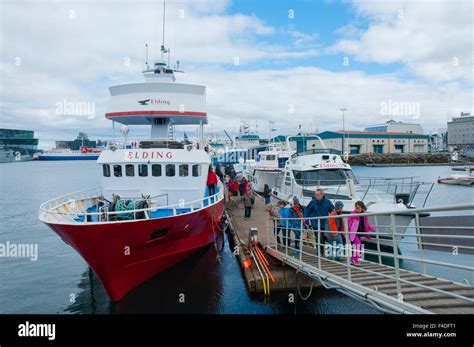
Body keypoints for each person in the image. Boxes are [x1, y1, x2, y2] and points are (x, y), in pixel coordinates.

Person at [348, 201, 376, 265]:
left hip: (359, 233)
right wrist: (347, 232)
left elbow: (366, 224)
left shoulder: (364, 215)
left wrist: (372, 229)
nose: (357, 210)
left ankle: (352, 259)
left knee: (356, 246)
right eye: (356, 208)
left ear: (362, 208)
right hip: (353, 233)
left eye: (358, 208)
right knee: (358, 244)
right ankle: (356, 260)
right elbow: (348, 223)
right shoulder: (353, 214)